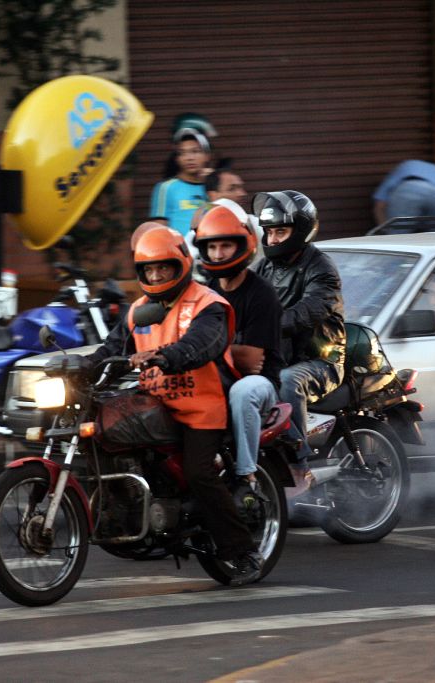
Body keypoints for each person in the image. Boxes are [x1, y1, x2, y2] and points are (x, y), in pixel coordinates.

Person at [82, 226, 263, 585]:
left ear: (180, 263)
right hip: (156, 404)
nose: (156, 276)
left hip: (202, 408)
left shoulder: (207, 304)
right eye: (149, 270)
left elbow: (204, 343)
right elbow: (112, 347)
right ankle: (124, 510)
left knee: (199, 473)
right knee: (99, 432)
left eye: (162, 268)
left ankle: (242, 550)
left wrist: (167, 357)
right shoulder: (138, 311)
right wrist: (81, 368)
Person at [253, 191, 346, 480]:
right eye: (269, 232)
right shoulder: (265, 266)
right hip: (280, 355)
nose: (273, 239)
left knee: (287, 381)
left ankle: (298, 464)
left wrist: (263, 326)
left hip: (320, 359)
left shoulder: (321, 268)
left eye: (281, 231)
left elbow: (306, 312)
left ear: (302, 230)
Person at [194, 205, 284, 490]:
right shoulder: (206, 291)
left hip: (260, 383)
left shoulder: (261, 293)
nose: (218, 254)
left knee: (243, 392)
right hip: (215, 378)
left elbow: (252, 362)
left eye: (225, 246)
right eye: (212, 247)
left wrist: (208, 349)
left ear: (241, 246)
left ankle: (247, 475)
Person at [149, 128, 214, 236]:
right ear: (177, 159)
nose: (189, 158)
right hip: (179, 251)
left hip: (212, 250)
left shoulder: (215, 185)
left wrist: (212, 181)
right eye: (182, 153)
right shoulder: (166, 188)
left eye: (195, 151)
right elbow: (158, 229)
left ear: (207, 156)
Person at [373, 160, 435, 228]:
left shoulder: (406, 165)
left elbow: (380, 205)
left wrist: (384, 229)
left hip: (410, 189)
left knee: (399, 233)